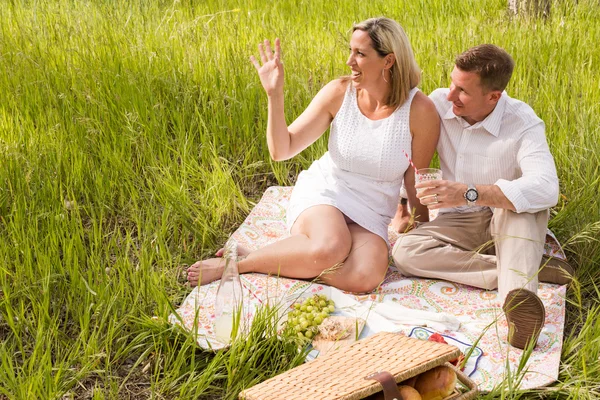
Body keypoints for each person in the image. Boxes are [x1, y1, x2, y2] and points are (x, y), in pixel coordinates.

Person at [186, 17, 440, 293]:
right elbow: (282, 150)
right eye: (351, 51)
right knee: (331, 248)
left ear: (388, 61)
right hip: (327, 193)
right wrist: (275, 94)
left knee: (365, 278)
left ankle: (279, 256)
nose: (349, 61)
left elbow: (417, 178)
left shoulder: (420, 111)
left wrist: (421, 230)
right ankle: (238, 265)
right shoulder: (338, 93)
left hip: (372, 210)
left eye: (360, 54)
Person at [392, 44, 568, 349]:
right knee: (404, 253)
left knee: (526, 204)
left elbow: (546, 187)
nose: (449, 95)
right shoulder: (437, 105)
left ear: (493, 97)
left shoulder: (522, 122)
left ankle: (519, 311)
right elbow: (403, 154)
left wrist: (469, 193)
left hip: (507, 217)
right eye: (452, 82)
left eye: (462, 90)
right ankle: (524, 269)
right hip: (457, 222)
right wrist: (403, 204)